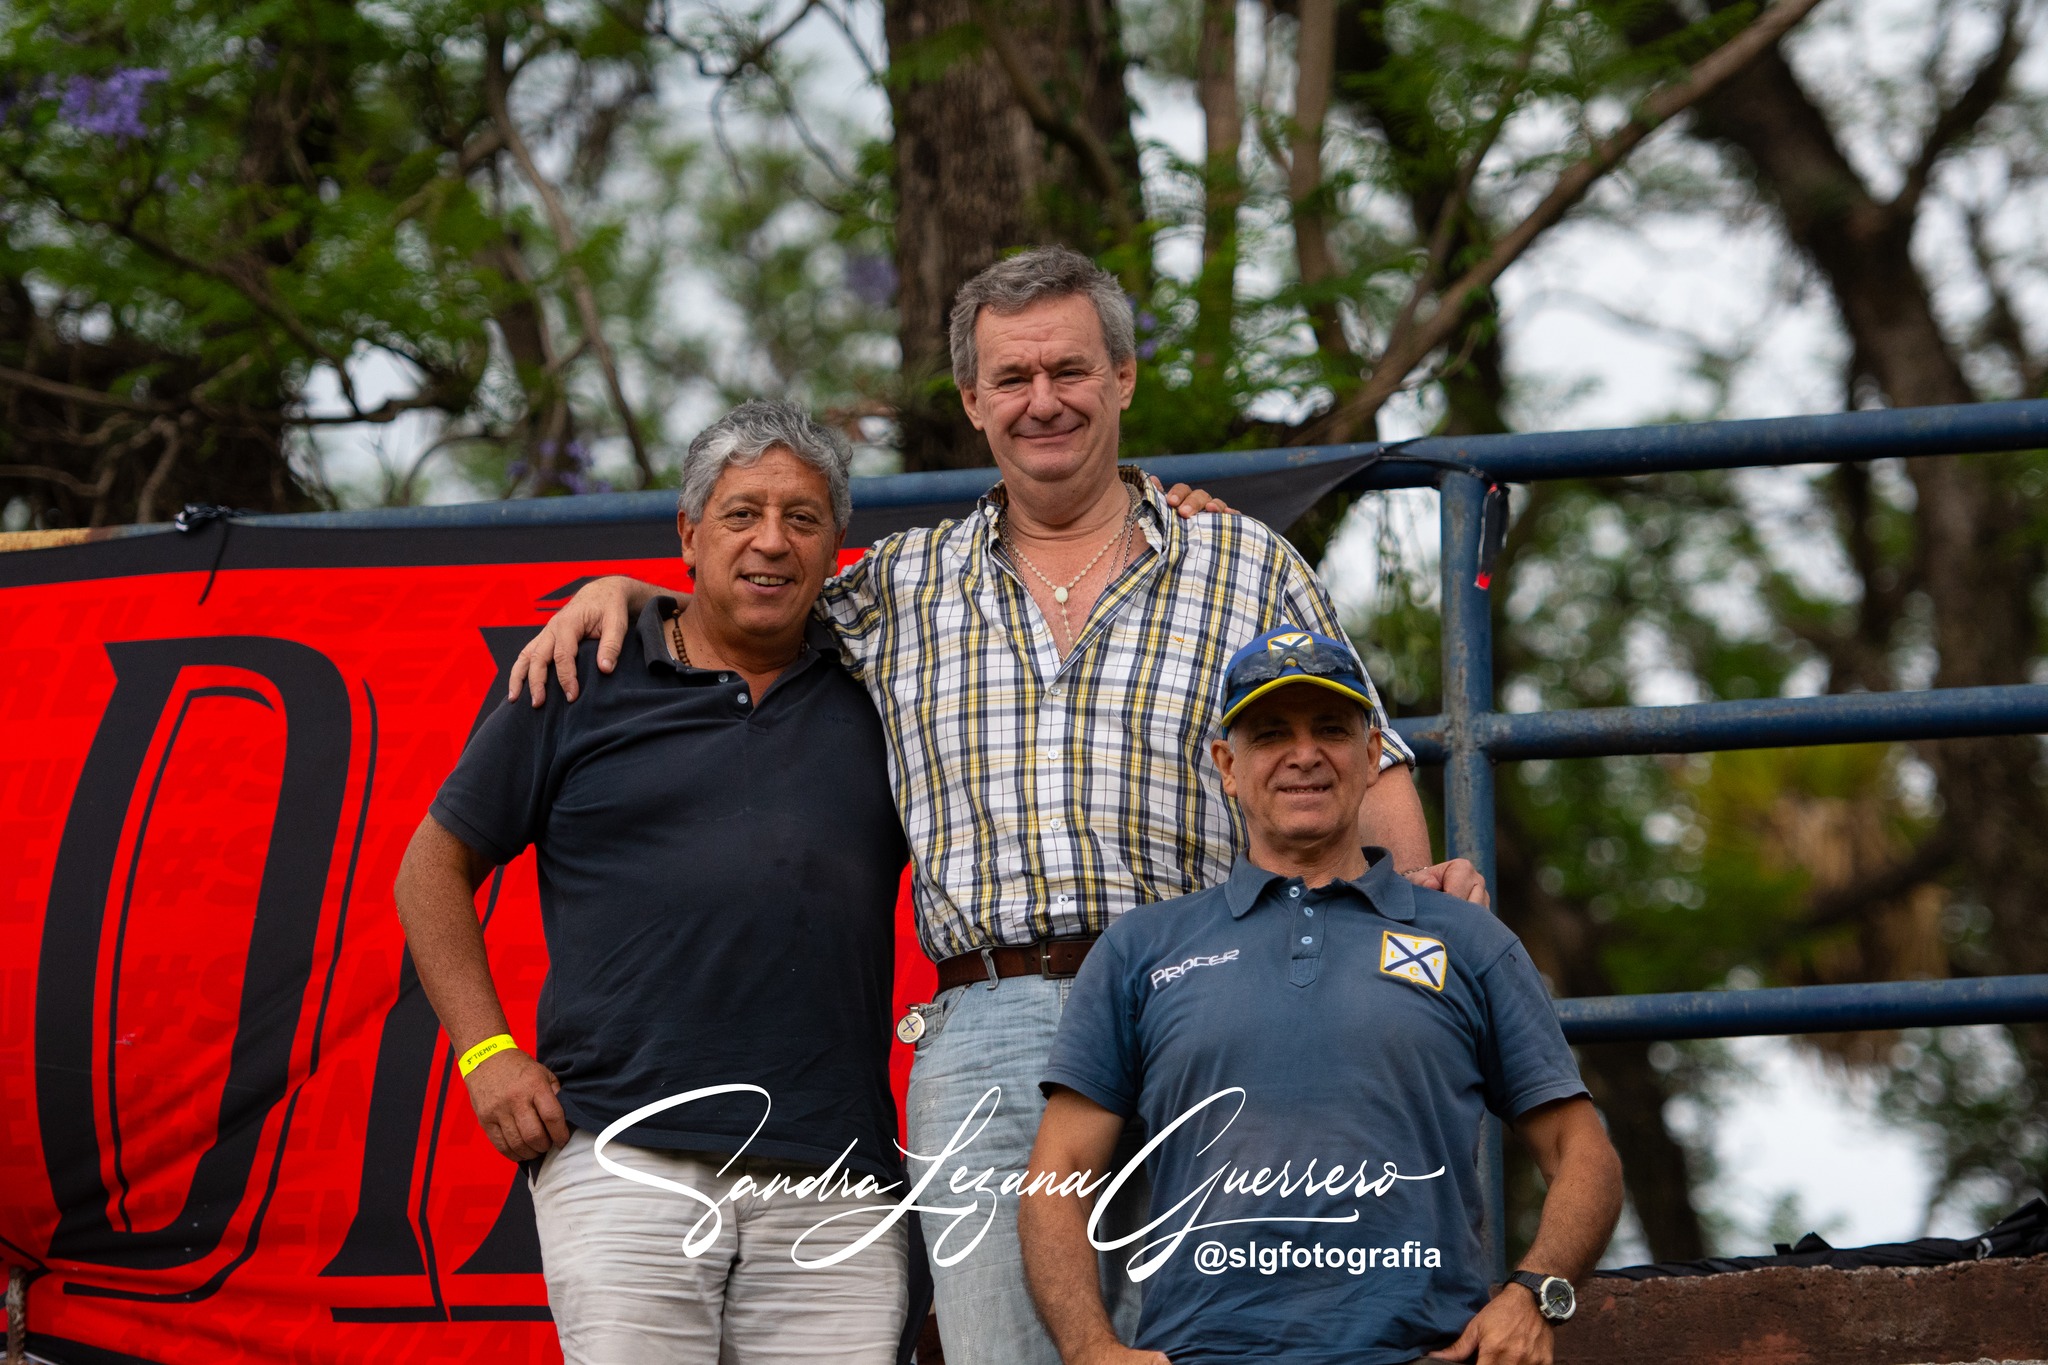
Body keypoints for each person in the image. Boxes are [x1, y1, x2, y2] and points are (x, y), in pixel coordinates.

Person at [508, 246, 1489, 1364]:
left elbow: (1369, 763)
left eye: (1068, 370)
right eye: (1011, 380)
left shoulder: (1243, 561)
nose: (1043, 402)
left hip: (1206, 1005)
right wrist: (625, 590)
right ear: (972, 403)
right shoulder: (897, 585)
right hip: (983, 1030)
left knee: (1229, 1342)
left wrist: (1402, 933)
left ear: (1120, 378)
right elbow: (745, 598)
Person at [393, 401, 912, 1364]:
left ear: (837, 543)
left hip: (833, 1175)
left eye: (802, 518)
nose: (771, 541)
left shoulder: (887, 684)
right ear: (687, 532)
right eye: (739, 513)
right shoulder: (580, 674)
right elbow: (430, 867)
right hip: (621, 1153)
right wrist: (485, 1054)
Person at [1019, 625, 1624, 1365]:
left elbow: (1581, 1149)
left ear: (1372, 756)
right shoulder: (1142, 948)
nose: (1304, 753)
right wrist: (1088, 1348)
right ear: (1227, 766)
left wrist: (1536, 1293)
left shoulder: (1467, 940)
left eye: (1331, 729)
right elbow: (1057, 1174)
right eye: (1272, 732)